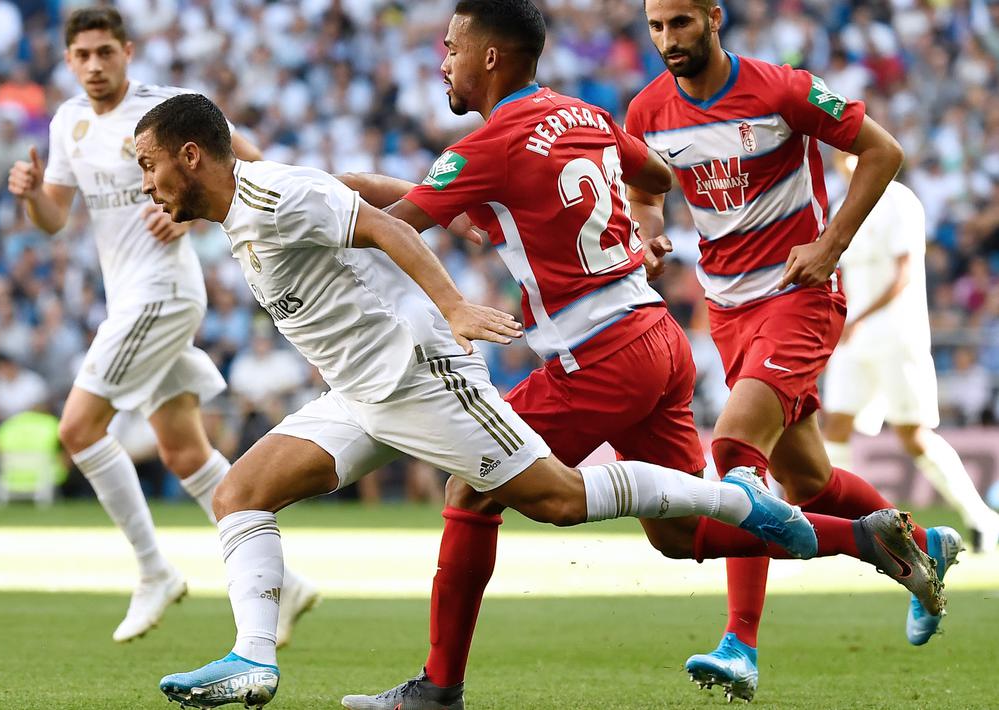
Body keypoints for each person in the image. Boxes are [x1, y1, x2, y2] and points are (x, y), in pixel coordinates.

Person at [134, 92, 874, 710]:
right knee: (241, 493)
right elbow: (362, 197)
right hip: (358, 395)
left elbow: (386, 225)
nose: (145, 183)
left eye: (148, 165)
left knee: (554, 500)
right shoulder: (249, 206)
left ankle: (733, 503)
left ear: (190, 154)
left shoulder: (276, 192)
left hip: (422, 376)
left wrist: (454, 307)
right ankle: (253, 659)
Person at [337, 2, 944, 708]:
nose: (441, 61)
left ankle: (437, 689)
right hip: (659, 339)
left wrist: (283, 207)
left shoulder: (487, 148)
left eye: (450, 47)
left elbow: (391, 228)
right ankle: (869, 541)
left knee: (472, 487)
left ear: (490, 57)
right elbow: (646, 178)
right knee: (684, 531)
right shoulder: (588, 114)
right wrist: (648, 226)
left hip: (608, 353)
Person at [625, 0, 961, 700]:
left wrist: (829, 244)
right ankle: (921, 545)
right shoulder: (648, 110)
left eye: (680, 23)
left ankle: (739, 644)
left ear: (712, 17)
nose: (668, 40)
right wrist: (650, 227)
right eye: (656, 27)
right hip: (726, 308)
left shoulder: (780, 87)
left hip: (798, 296)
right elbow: (646, 188)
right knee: (808, 481)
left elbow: (883, 150)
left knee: (733, 453)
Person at [6, 6, 318, 645]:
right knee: (182, 451)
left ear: (128, 50)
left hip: (164, 294)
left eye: (105, 52)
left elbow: (249, 163)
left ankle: (154, 569)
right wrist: (31, 193)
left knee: (77, 428)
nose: (95, 65)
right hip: (127, 297)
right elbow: (54, 218)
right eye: (83, 55)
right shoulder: (68, 123)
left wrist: (189, 213)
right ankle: (284, 583)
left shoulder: (166, 109)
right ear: (69, 61)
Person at [822, 154, 999, 555]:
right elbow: (842, 271)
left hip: (897, 335)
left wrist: (860, 317)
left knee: (913, 435)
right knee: (836, 425)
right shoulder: (841, 203)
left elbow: (904, 272)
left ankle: (980, 517)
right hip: (855, 334)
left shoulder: (900, 200)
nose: (842, 158)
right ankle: (842, 527)